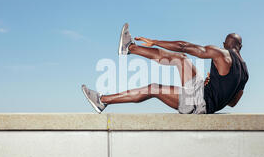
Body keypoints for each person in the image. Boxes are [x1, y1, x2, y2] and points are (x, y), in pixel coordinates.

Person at [82, 23, 249, 114]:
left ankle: (102, 101)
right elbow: (233, 103)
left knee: (154, 88)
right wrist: (218, 87)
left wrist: (155, 41)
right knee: (180, 59)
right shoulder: (245, 72)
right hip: (203, 93)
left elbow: (184, 46)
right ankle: (130, 48)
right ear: (240, 47)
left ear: (224, 45)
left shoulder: (222, 53)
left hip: (200, 103)